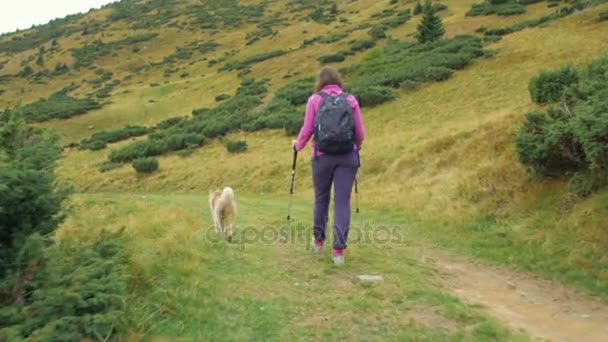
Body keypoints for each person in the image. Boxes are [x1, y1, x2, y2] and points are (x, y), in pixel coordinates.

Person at [293, 66, 365, 265]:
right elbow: (360, 133)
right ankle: (338, 252)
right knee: (342, 202)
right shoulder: (350, 100)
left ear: (320, 82)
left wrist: (297, 145)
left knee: (321, 199)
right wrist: (355, 148)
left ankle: (318, 242)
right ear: (339, 81)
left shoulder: (315, 100)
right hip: (347, 156)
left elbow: (307, 130)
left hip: (322, 157)